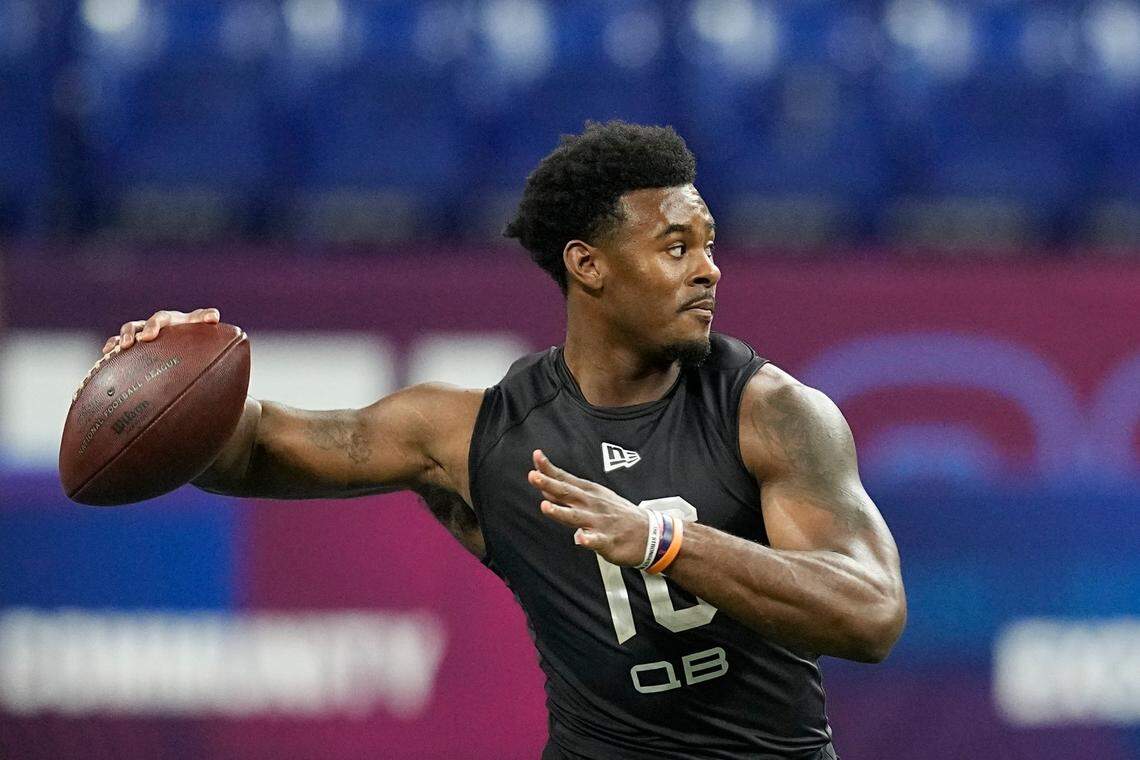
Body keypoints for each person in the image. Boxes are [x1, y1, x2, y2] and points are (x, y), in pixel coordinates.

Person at [103, 121, 905, 759]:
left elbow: (871, 613)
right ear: (588, 266)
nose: (709, 271)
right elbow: (252, 450)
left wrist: (666, 540)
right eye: (675, 247)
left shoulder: (772, 410)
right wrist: (171, 384)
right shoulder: (475, 430)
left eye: (708, 244)